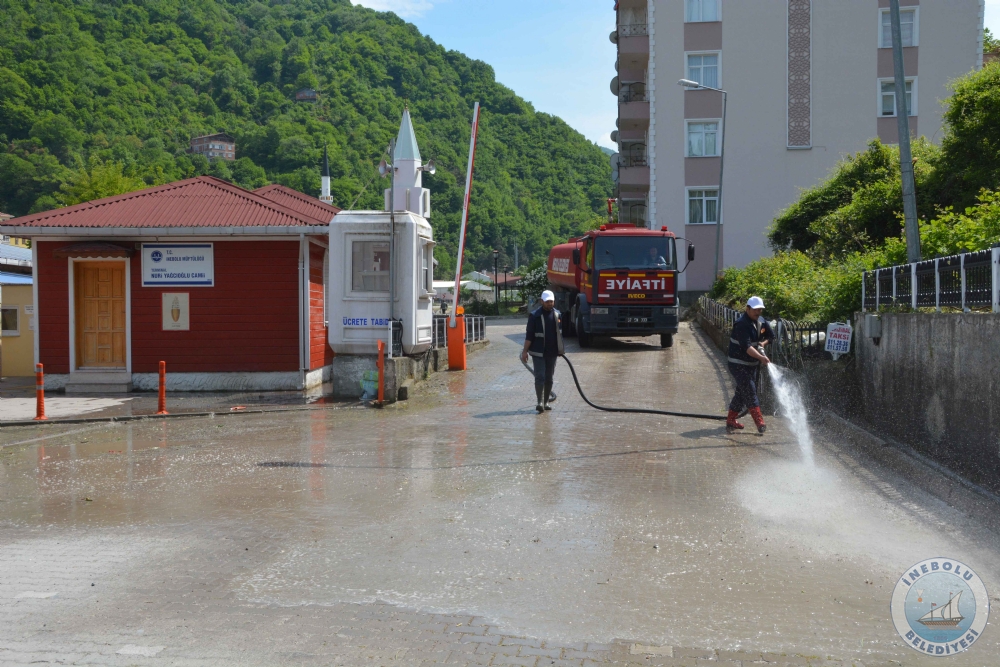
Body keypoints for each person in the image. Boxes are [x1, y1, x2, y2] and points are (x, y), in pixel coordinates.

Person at [726, 296, 774, 434]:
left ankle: (731, 420)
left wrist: (762, 344)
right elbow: (747, 347)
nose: (758, 312)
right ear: (747, 309)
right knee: (750, 390)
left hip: (751, 364)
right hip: (738, 364)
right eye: (755, 310)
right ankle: (759, 422)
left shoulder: (761, 321)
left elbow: (771, 336)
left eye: (760, 310)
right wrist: (761, 357)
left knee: (741, 393)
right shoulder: (741, 324)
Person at [520, 290, 564, 413]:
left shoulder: (557, 315)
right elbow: (529, 335)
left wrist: (560, 349)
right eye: (547, 301)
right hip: (538, 352)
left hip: (552, 352)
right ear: (542, 301)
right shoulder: (534, 316)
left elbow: (560, 334)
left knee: (549, 378)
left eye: (552, 301)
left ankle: (546, 402)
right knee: (540, 376)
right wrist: (525, 351)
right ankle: (539, 402)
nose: (550, 304)